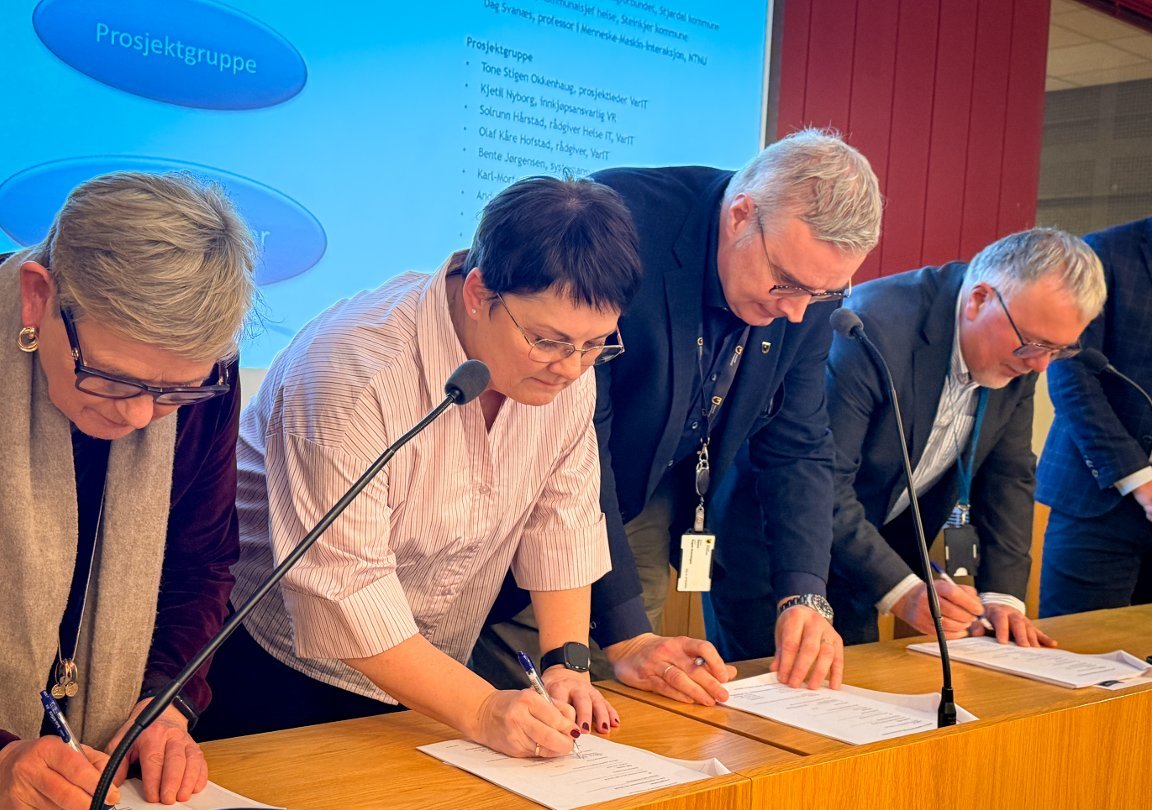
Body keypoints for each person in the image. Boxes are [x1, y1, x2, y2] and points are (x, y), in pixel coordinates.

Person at [195, 176, 638, 758]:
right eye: (548, 341)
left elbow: (564, 520)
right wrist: (480, 709)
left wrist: (566, 664)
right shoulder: (352, 371)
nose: (572, 368)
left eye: (596, 344)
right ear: (478, 293)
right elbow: (342, 589)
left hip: (436, 673)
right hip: (284, 669)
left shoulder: (564, 364)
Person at [475, 128, 883, 696]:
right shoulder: (620, 226)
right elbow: (578, 438)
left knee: (629, 679)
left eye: (821, 295)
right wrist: (624, 633)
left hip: (652, 492)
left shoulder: (805, 289)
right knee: (539, 667)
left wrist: (805, 592)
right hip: (544, 482)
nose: (796, 313)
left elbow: (800, 441)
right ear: (741, 216)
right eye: (787, 284)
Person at [0, 171, 257, 810]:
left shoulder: (206, 374)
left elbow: (200, 564)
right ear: (38, 297)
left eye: (175, 393)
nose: (143, 416)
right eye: (114, 379)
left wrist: (166, 702)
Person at [712, 228, 1105, 651]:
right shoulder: (871, 329)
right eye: (1034, 344)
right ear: (979, 300)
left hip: (863, 561)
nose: (1042, 365)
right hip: (777, 556)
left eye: (1058, 350)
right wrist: (902, 590)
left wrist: (1002, 598)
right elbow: (819, 478)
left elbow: (1009, 477)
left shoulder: (1019, 351)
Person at [1037, 216, 1152, 614]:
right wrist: (1140, 480)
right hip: (1096, 499)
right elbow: (1072, 376)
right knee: (1078, 646)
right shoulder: (1104, 253)